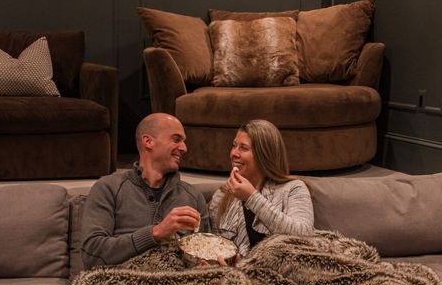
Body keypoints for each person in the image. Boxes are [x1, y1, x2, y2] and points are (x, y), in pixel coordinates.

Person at [81, 112, 210, 269]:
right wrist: (156, 232)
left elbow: (206, 251)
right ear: (148, 141)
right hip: (122, 282)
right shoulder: (109, 188)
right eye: (176, 139)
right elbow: (92, 253)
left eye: (184, 141)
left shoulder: (192, 196)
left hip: (180, 284)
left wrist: (207, 264)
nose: (184, 148)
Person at [210, 119, 314, 255]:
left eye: (243, 148)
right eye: (234, 145)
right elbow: (214, 246)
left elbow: (303, 236)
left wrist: (252, 198)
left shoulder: (293, 189)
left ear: (264, 155)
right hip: (236, 274)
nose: (234, 153)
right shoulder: (222, 195)